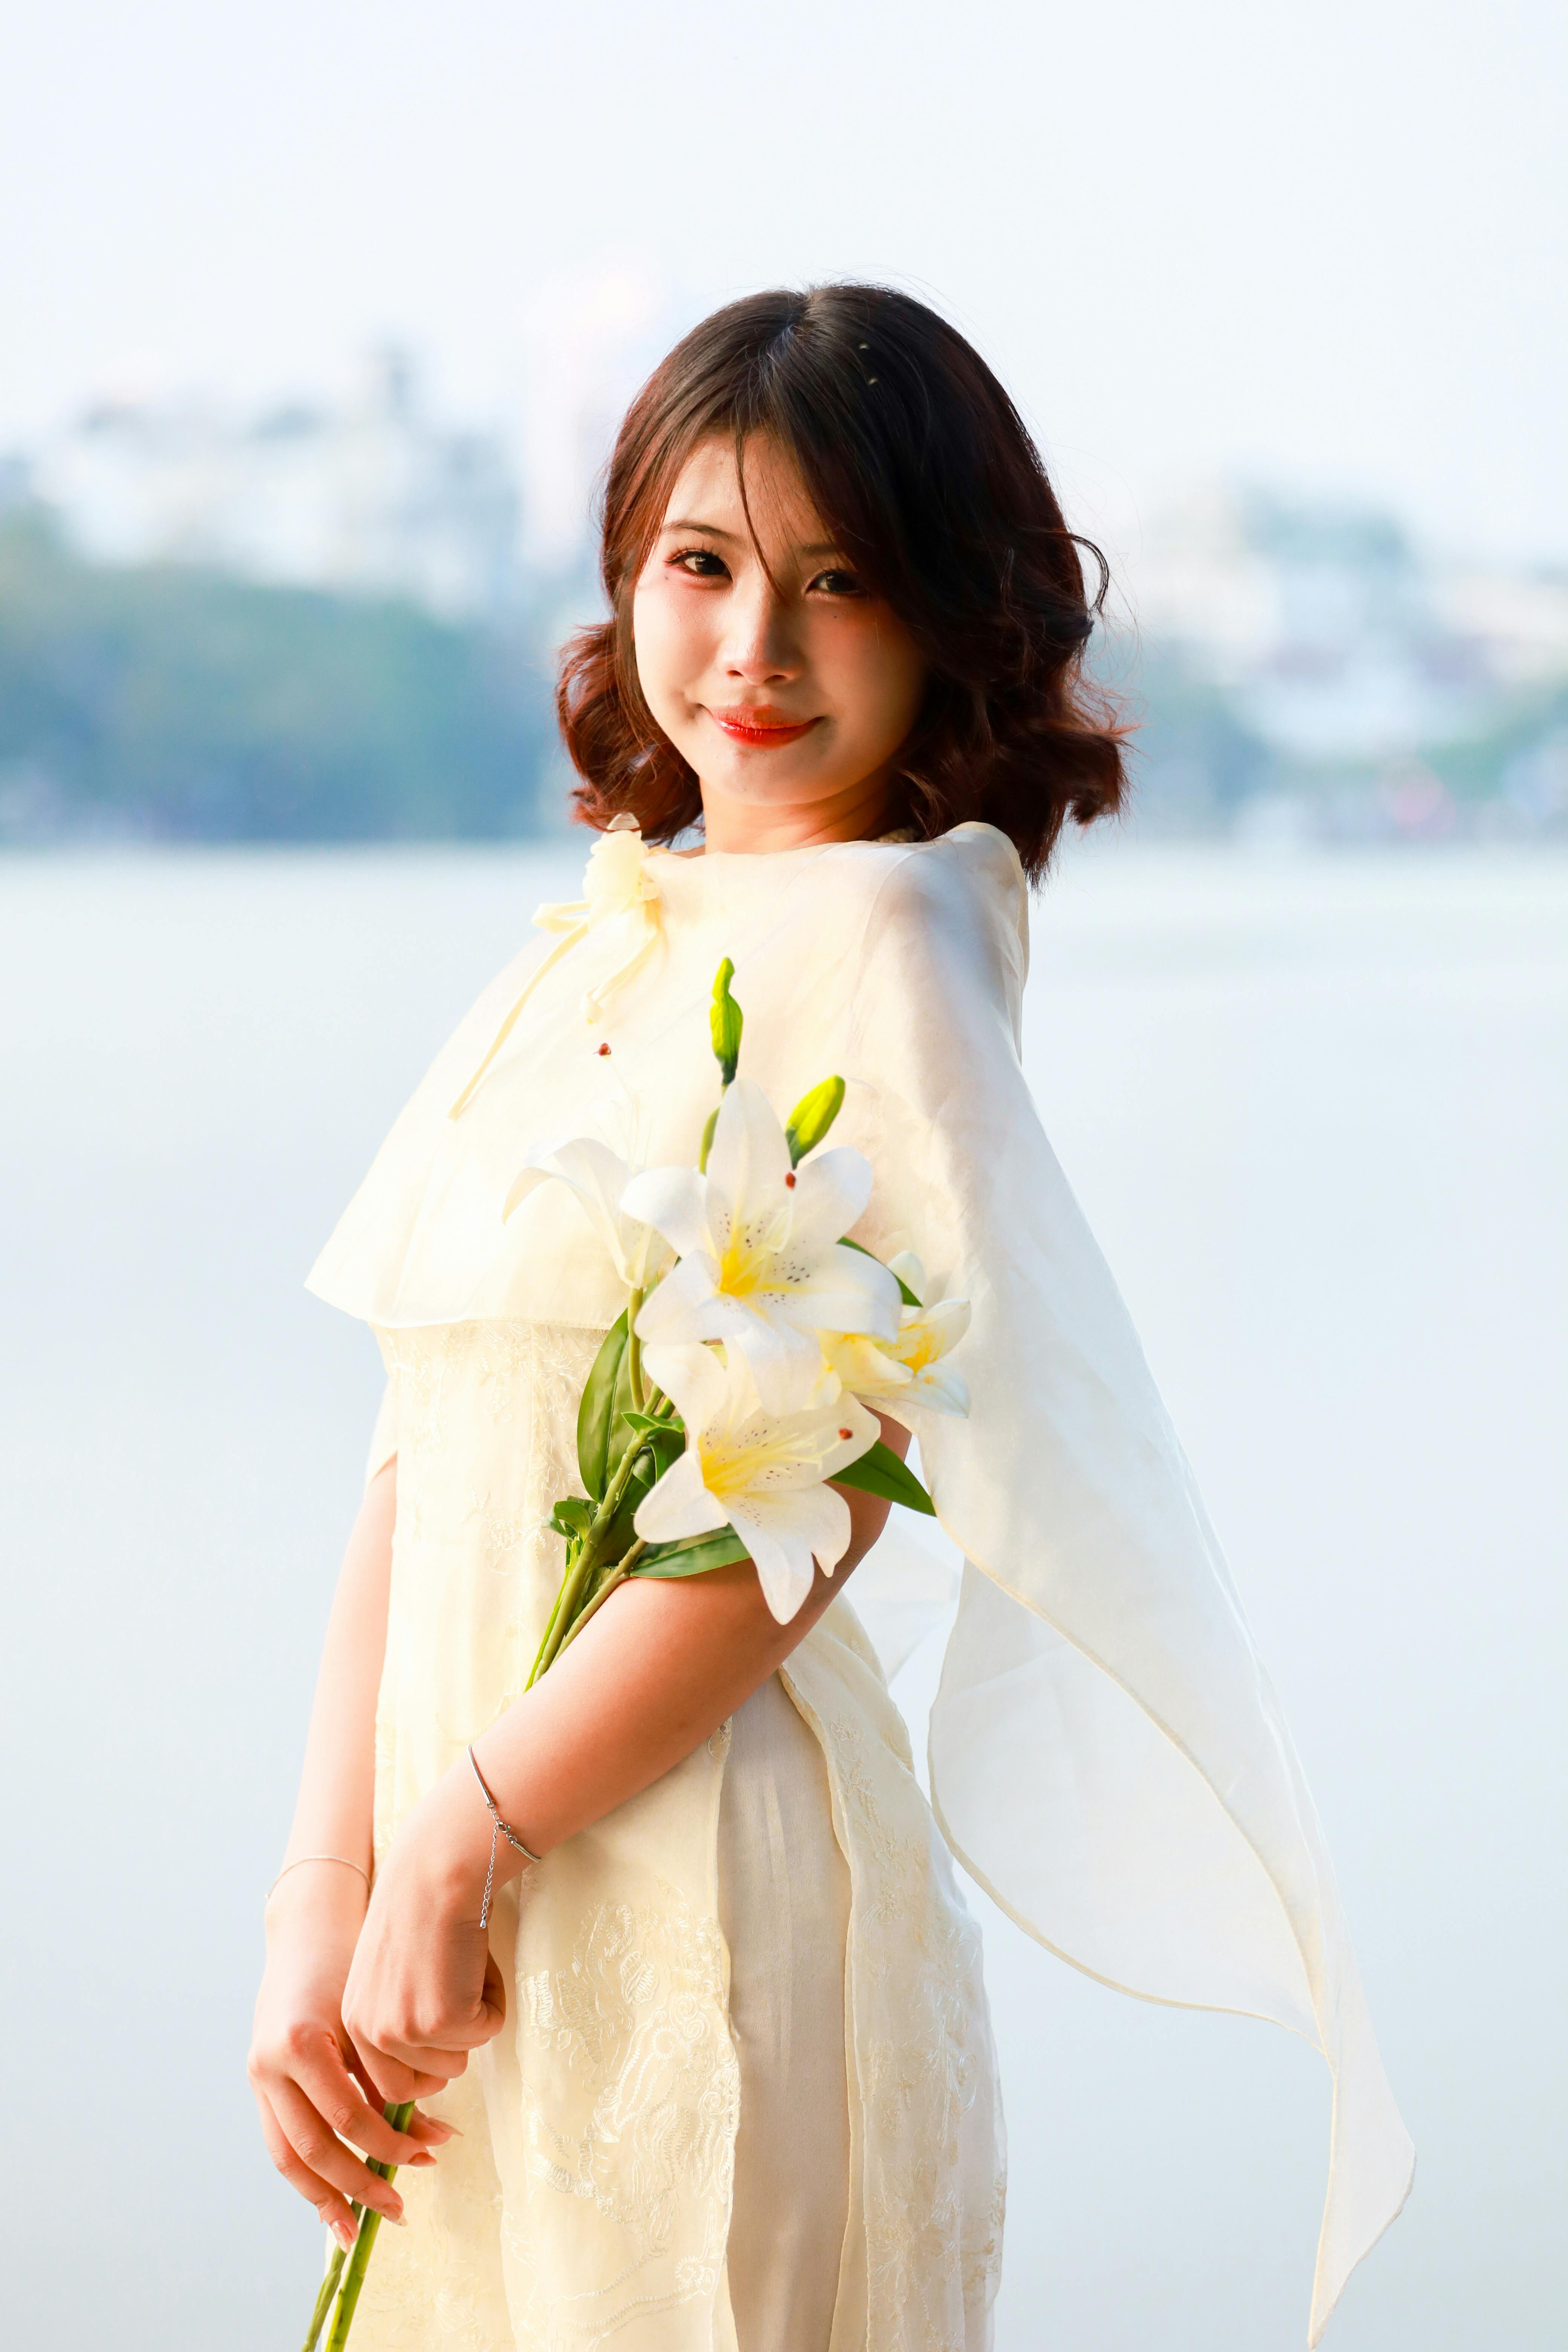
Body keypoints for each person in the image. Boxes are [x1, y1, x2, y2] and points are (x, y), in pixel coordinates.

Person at [250, 285, 1412, 2352]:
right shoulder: (594, 938)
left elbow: (811, 1513)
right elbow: (415, 1464)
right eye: (702, 568)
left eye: (838, 582)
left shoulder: (895, 936)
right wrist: (320, 1900)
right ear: (629, 580)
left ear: (949, 617)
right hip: (461, 1913)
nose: (755, 652)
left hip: (697, 1900)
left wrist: (456, 1839)